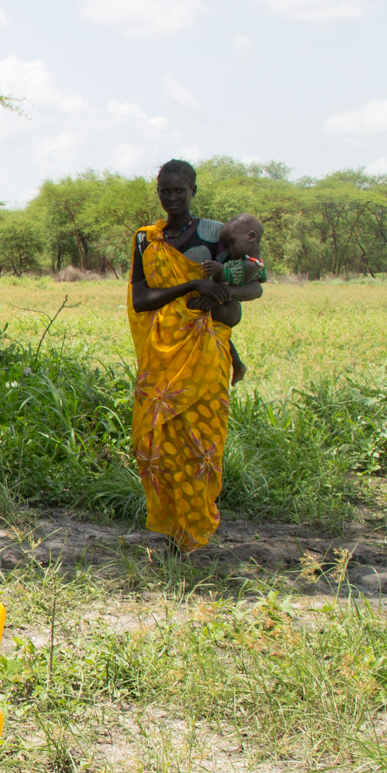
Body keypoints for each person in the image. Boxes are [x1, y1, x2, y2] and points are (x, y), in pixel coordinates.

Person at [126, 160, 259, 554]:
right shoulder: (146, 240)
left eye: (179, 191)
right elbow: (141, 299)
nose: (171, 198)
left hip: (207, 356)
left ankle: (195, 531)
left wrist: (221, 294)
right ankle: (172, 528)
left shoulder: (218, 234)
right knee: (155, 443)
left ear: (193, 191)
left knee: (201, 445)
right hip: (161, 355)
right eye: (164, 191)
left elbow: (252, 287)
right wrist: (191, 286)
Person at [193, 213, 267, 384]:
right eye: (227, 245)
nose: (229, 249)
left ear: (251, 237)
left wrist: (219, 270)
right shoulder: (253, 263)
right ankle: (237, 364)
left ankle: (234, 364)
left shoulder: (249, 265)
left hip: (228, 306)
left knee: (194, 307)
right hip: (227, 302)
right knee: (219, 333)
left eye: (232, 243)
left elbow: (230, 278)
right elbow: (261, 279)